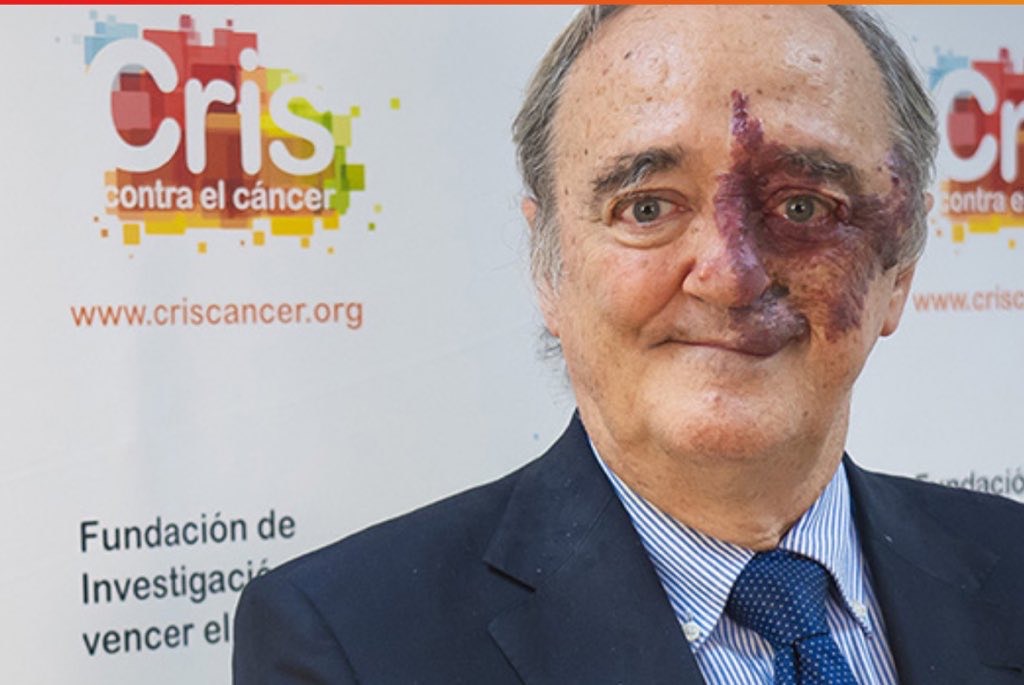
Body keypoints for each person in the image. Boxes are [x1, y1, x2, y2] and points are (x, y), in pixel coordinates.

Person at [233, 6, 1024, 683]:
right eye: (647, 207)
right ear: (550, 269)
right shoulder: (350, 646)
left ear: (899, 271)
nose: (730, 275)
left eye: (804, 207)